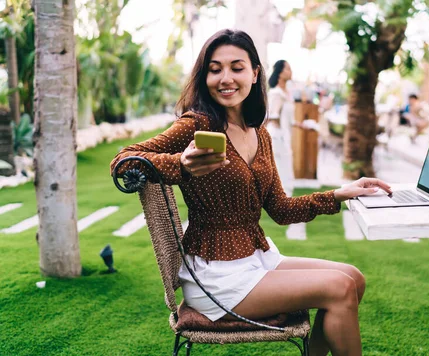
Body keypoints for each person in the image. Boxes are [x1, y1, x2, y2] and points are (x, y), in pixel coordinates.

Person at [110, 29, 391, 356]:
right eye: (215, 69)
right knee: (340, 287)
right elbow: (124, 161)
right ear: (204, 77)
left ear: (255, 73)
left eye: (236, 67)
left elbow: (282, 210)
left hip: (255, 259)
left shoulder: (260, 133)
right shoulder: (197, 124)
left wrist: (341, 193)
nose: (225, 78)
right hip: (215, 277)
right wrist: (181, 164)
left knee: (353, 278)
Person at [267, 59, 295, 197]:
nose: (291, 72)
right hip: (278, 137)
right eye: (288, 68)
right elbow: (272, 115)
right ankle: (286, 207)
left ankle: (288, 207)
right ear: (280, 72)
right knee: (283, 171)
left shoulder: (287, 93)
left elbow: (288, 119)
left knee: (286, 170)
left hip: (285, 135)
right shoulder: (276, 93)